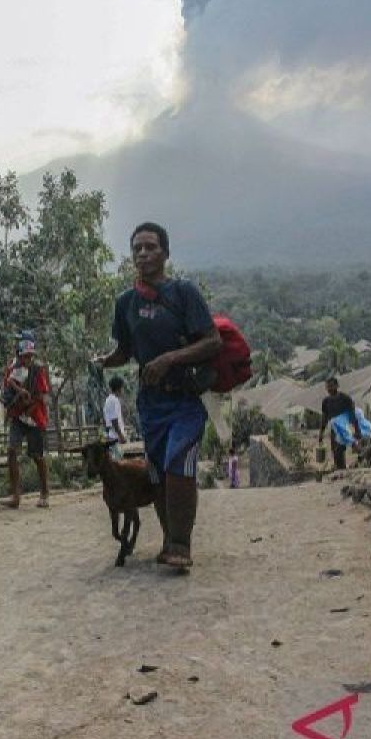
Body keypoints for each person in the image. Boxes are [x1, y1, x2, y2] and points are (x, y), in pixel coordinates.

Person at [95, 222, 221, 569]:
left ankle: (181, 544)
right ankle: (170, 542)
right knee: (160, 472)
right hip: (152, 403)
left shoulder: (184, 293)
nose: (143, 253)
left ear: (165, 253)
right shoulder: (126, 303)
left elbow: (212, 341)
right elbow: (126, 349)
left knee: (180, 462)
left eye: (151, 246)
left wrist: (169, 359)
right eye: (137, 248)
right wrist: (107, 361)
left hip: (185, 399)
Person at [3, 338, 51, 508]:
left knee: (37, 455)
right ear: (19, 356)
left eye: (30, 356)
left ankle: (44, 491)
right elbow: (6, 393)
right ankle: (15, 495)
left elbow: (43, 395)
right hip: (17, 416)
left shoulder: (38, 371)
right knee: (11, 450)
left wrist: (29, 406)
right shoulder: (11, 370)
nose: (27, 360)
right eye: (25, 357)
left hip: (34, 417)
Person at [318, 376, 362, 470]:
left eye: (331, 386)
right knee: (335, 451)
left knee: (339, 450)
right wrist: (321, 433)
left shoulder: (345, 399)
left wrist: (357, 430)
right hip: (334, 430)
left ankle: (342, 468)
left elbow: (352, 415)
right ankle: (341, 469)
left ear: (337, 385)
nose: (329, 389)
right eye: (327, 387)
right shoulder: (326, 402)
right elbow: (324, 418)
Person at [103, 376, 127, 458]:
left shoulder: (109, 400)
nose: (123, 390)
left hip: (112, 435)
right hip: (115, 437)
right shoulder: (113, 400)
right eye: (122, 388)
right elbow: (114, 420)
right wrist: (121, 435)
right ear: (119, 388)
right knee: (117, 461)